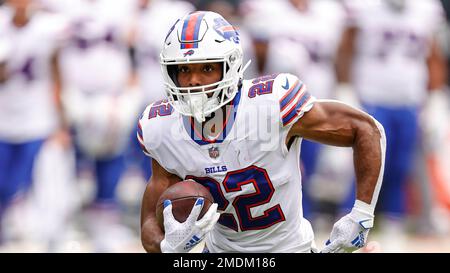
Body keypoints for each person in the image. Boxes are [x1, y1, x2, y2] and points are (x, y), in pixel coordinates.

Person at [139, 11, 386, 253]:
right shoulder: (162, 127)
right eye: (184, 70)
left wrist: (361, 216)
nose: (193, 80)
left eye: (206, 69)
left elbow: (366, 129)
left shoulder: (270, 104)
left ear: (230, 66)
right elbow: (150, 222)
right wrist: (165, 246)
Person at [338, 0, 447, 243]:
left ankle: (393, 221)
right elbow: (346, 48)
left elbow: (433, 55)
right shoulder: (363, 7)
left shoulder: (426, 9)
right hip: (371, 96)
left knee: (400, 166)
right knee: (365, 164)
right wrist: (344, 88)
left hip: (409, 99)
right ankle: (348, 220)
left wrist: (436, 98)